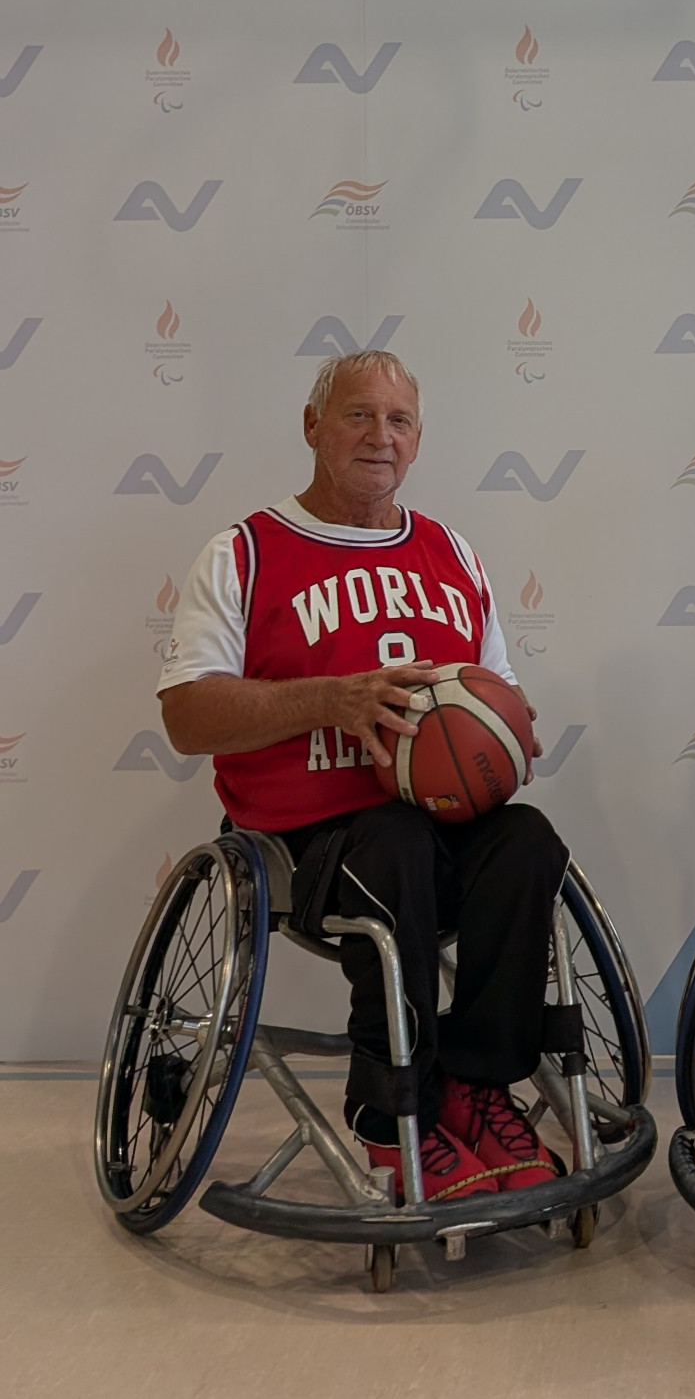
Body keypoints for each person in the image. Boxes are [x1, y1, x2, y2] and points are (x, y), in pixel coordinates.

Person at [158, 350, 570, 1202]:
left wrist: (502, 738)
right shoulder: (245, 551)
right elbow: (188, 715)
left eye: (399, 420)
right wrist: (330, 701)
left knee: (528, 838)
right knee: (396, 840)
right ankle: (389, 1112)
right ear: (314, 426)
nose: (379, 436)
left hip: (439, 820)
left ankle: (477, 1086)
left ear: (418, 441)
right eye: (357, 415)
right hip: (304, 842)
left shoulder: (453, 552)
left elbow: (501, 697)